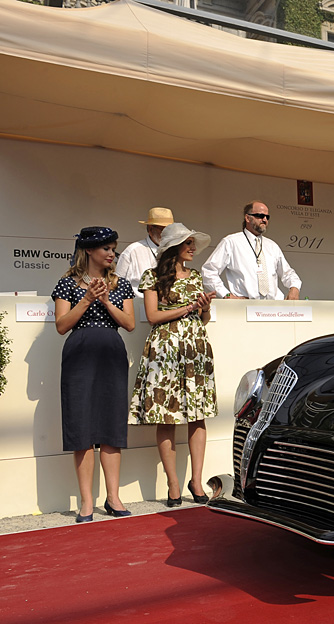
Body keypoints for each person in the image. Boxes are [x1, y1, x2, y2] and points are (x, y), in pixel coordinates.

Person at [51, 227, 136, 522]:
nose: (112, 254)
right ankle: (87, 502)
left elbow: (130, 324)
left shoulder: (122, 284)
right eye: (106, 248)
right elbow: (62, 326)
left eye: (114, 248)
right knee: (82, 427)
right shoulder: (67, 284)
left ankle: (113, 498)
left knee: (112, 427)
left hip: (112, 355)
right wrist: (86, 299)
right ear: (89, 250)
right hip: (79, 355)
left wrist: (106, 301)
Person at [130, 223, 217, 506]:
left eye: (193, 242)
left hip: (195, 348)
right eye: (187, 243)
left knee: (197, 415)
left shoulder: (195, 276)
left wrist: (203, 307)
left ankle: (196, 481)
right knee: (166, 416)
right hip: (165, 349)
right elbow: (153, 316)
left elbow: (203, 320)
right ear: (173, 248)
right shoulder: (152, 276)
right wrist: (190, 307)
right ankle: (173, 484)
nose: (193, 248)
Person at [202, 201, 302, 300]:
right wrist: (227, 295)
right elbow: (209, 271)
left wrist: (294, 288)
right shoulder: (231, 242)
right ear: (247, 218)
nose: (264, 220)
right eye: (260, 216)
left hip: (274, 308)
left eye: (267, 217)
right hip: (245, 307)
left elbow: (288, 273)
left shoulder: (272, 246)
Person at [116, 207, 175, 296]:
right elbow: (117, 285)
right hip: (138, 306)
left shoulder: (176, 251)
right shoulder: (133, 251)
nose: (168, 234)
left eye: (170, 230)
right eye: (164, 230)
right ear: (151, 229)